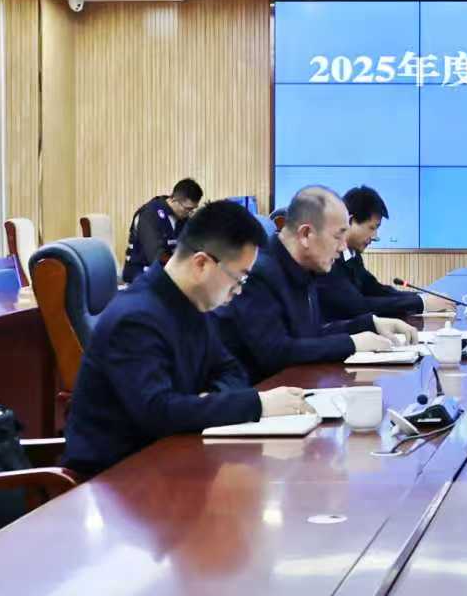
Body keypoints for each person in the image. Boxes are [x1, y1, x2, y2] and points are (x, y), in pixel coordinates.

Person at [62, 200, 316, 474]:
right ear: (202, 264)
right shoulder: (135, 319)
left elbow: (232, 370)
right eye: (239, 279)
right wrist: (257, 404)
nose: (239, 291)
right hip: (115, 479)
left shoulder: (193, 304)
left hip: (171, 460)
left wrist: (204, 402)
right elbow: (158, 412)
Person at [223, 186, 410, 381]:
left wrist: (370, 323)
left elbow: (312, 333)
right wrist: (351, 343)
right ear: (306, 234)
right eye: (338, 236)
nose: (343, 246)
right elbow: (276, 352)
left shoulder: (305, 266)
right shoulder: (259, 273)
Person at [333, 186, 423, 319]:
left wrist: (421, 298)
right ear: (349, 221)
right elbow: (356, 305)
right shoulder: (330, 259)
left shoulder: (353, 255)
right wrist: (419, 302)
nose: (375, 236)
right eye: (372, 228)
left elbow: (376, 289)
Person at [122, 177, 203, 285]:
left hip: (169, 270)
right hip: (141, 272)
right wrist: (182, 267)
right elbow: (156, 256)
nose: (189, 213)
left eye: (193, 209)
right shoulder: (149, 214)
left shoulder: (183, 218)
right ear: (174, 200)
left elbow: (191, 246)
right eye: (188, 209)